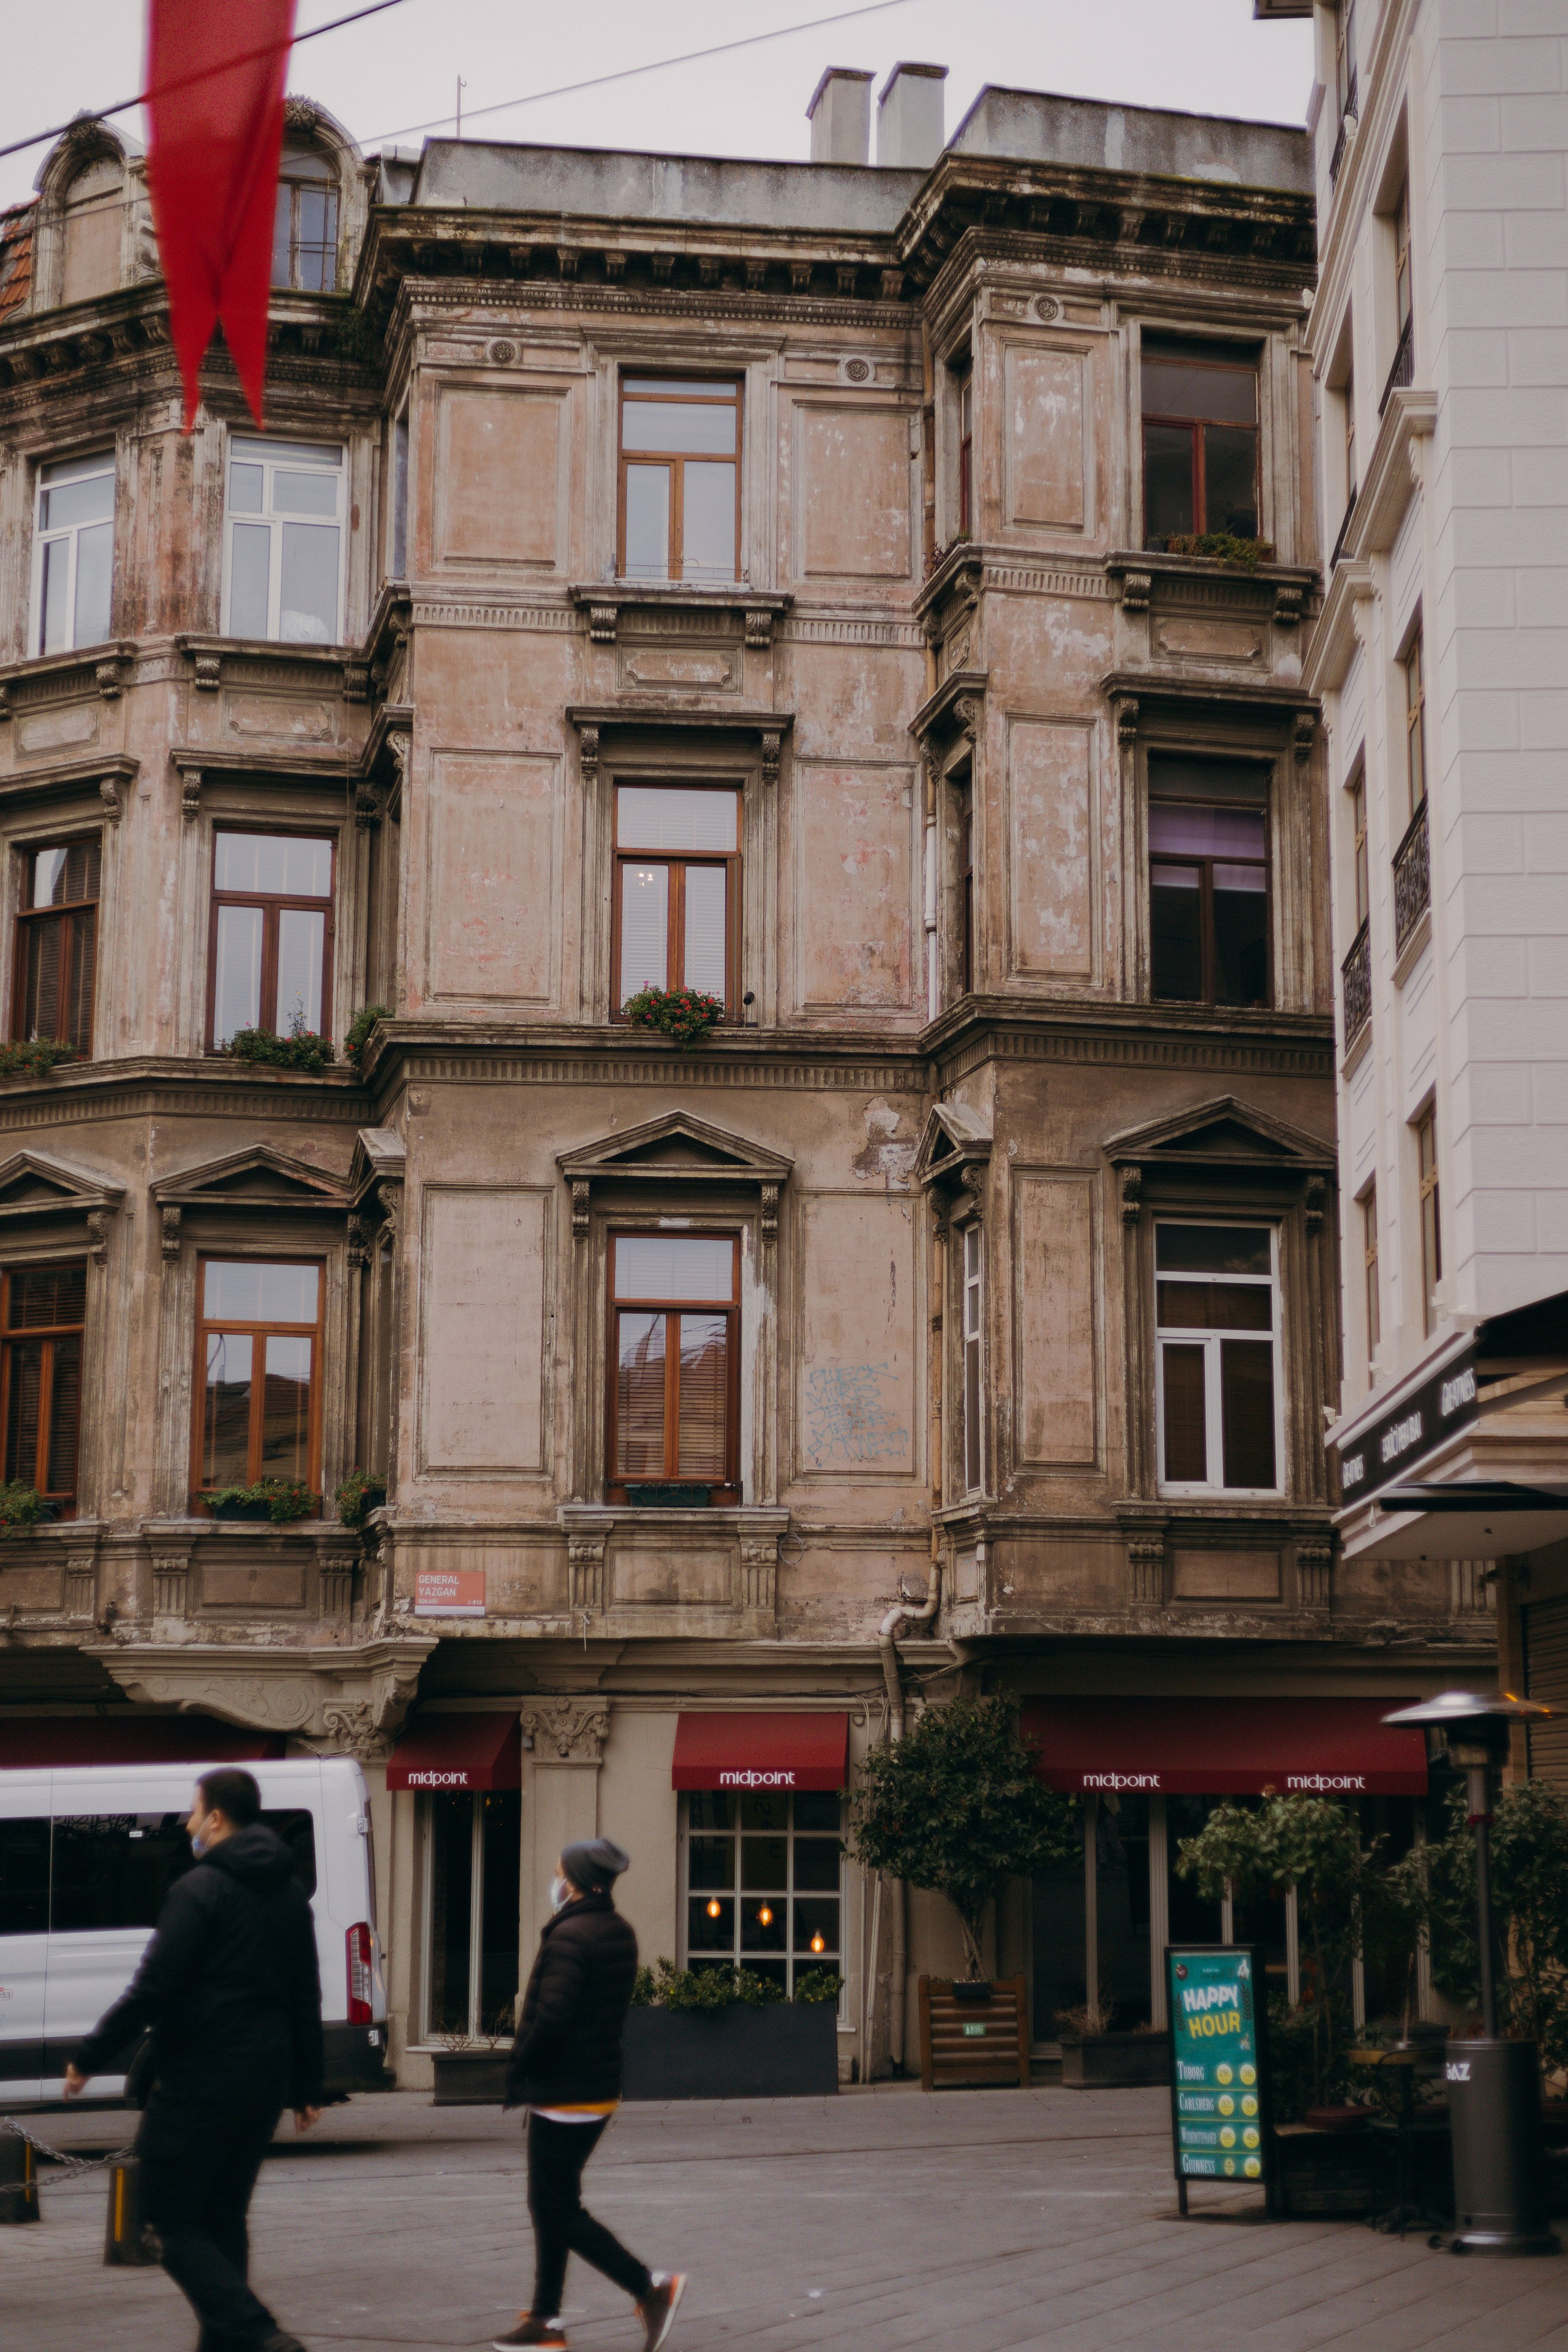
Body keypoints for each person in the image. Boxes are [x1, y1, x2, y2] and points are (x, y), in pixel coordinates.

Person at [65, 1765, 323, 2352]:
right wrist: (308, 2085)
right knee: (223, 2215)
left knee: (166, 2216)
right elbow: (304, 1994)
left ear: (217, 1818)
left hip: (200, 2078)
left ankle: (259, 2334)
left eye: (194, 1811)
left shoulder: (198, 1890)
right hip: (265, 2078)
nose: (187, 1823)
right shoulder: (290, 1893)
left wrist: (90, 2056)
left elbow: (154, 1988)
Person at [496, 1837, 685, 2352]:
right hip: (596, 2087)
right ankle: (546, 2319)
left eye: (560, 1872)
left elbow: (553, 2018)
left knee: (555, 2207)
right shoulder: (617, 1930)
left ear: (575, 1881)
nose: (555, 1880)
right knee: (553, 2202)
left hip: (565, 2092)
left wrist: (522, 2067)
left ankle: (649, 2287)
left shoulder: (570, 1936)